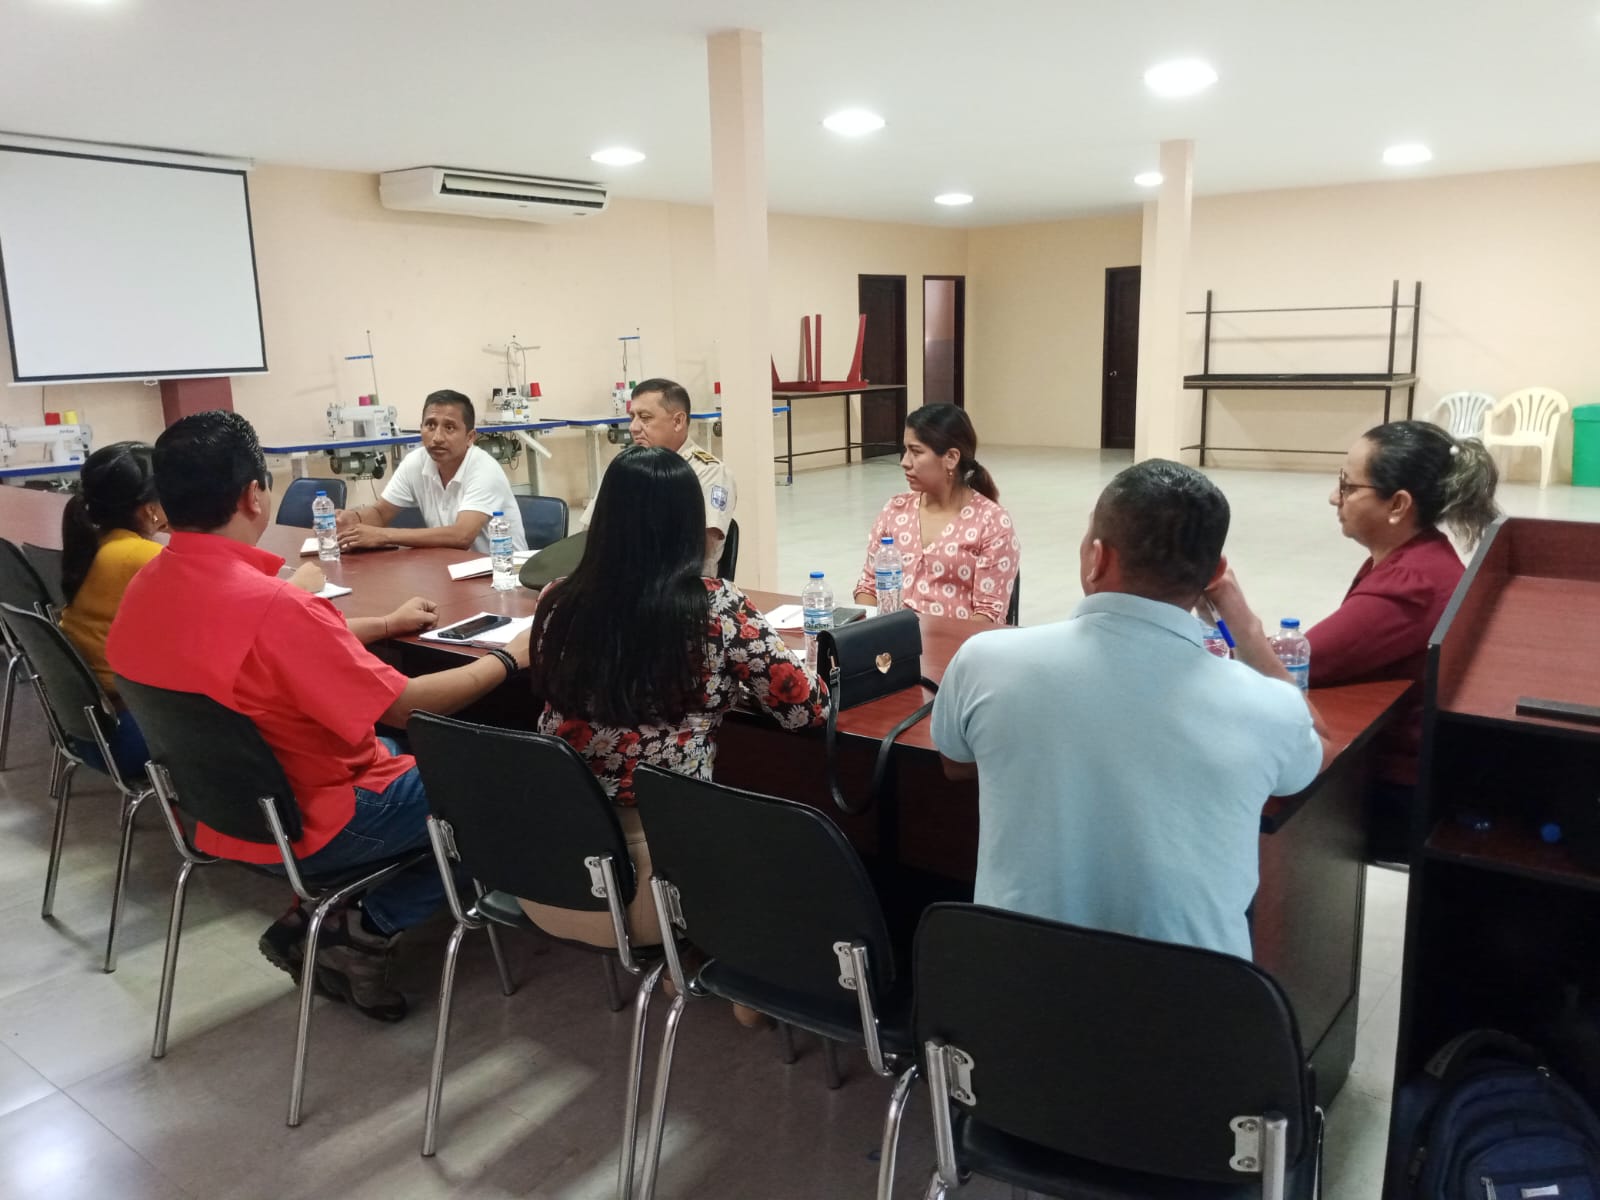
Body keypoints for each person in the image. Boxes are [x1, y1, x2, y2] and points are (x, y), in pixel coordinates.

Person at [106, 410, 533, 1022]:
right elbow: (409, 706)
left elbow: (266, 646)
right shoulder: (273, 607)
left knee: (410, 759)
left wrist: (383, 625)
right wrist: (510, 657)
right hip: (317, 820)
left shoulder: (146, 588)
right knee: (510, 787)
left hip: (217, 814)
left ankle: (317, 914)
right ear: (253, 496)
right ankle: (362, 926)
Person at [931, 460, 1327, 960]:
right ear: (1215, 574)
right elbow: (1317, 751)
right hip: (1193, 997)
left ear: (1097, 559)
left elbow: (955, 762)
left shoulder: (986, 660)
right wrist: (1245, 629)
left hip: (1018, 984)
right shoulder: (1267, 706)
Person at [525, 445, 824, 955]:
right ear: (688, 525)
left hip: (549, 863)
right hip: (656, 876)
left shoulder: (557, 598)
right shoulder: (714, 606)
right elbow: (805, 710)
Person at [1217, 419, 1500, 862]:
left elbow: (1301, 664)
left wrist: (1232, 612)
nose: (1335, 497)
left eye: (1348, 487)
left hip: (1395, 786)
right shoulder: (1416, 555)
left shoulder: (1412, 584)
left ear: (1398, 504)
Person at [853, 403, 1018, 623]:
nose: (904, 462)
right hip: (892, 640)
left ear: (951, 458)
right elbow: (868, 586)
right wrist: (873, 631)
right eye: (905, 450)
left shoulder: (991, 523)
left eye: (916, 452)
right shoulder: (895, 510)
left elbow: (988, 613)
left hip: (958, 642)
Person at [334, 389, 526, 554]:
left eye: (449, 427)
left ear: (470, 437)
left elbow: (462, 536)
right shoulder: (416, 462)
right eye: (430, 426)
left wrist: (383, 535)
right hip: (451, 568)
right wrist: (354, 519)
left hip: (505, 573)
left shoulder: (484, 469)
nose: (437, 437)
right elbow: (380, 513)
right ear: (421, 429)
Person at [577, 378, 735, 576]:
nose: (634, 427)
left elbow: (700, 547)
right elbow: (590, 532)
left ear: (677, 421)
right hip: (620, 579)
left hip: (681, 586)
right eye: (632, 417)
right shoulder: (626, 468)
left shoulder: (708, 472)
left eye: (645, 417)